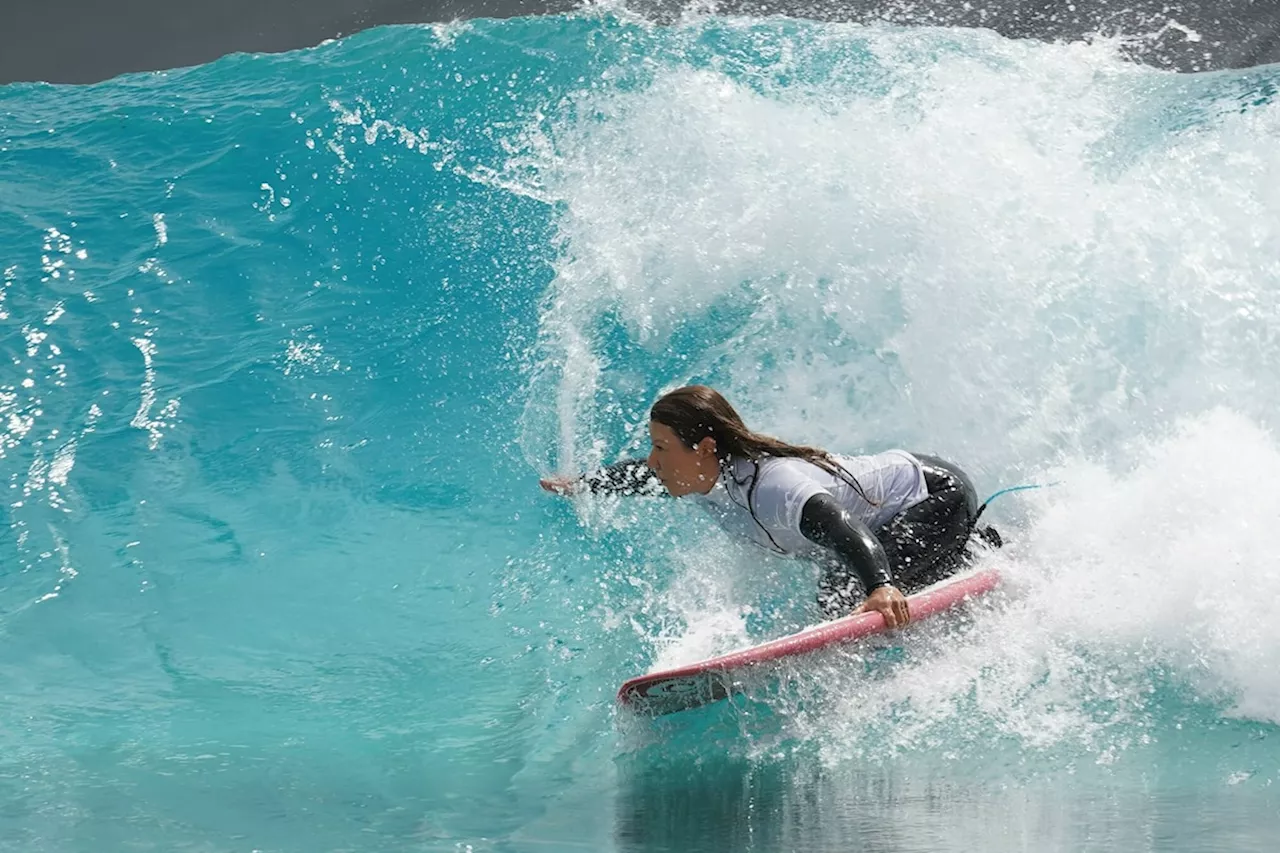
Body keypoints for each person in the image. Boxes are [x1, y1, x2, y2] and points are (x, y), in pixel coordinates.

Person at [540, 385, 1001, 629]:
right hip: (899, 507)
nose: (654, 461)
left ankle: (973, 545)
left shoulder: (771, 486)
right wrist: (581, 484)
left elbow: (838, 525)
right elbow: (637, 476)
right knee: (837, 592)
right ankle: (962, 551)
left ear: (701, 448)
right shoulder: (704, 479)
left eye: (662, 447)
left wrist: (880, 586)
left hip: (934, 495)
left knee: (845, 593)